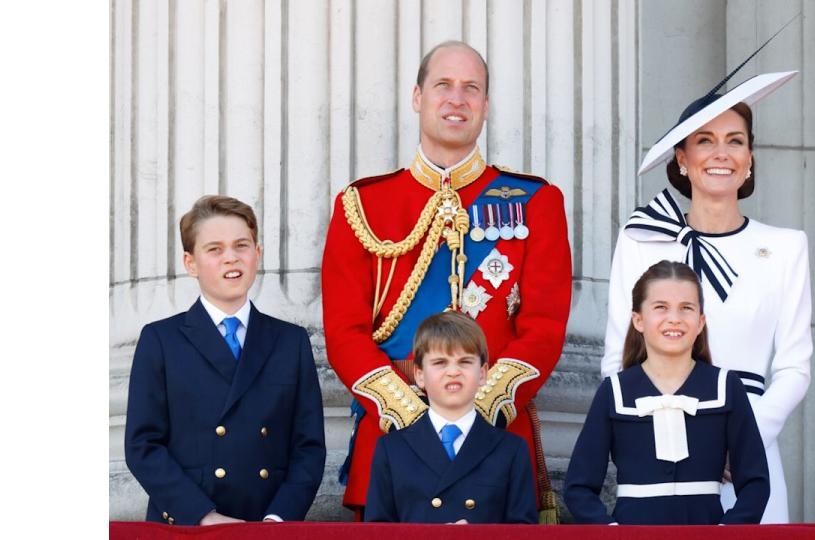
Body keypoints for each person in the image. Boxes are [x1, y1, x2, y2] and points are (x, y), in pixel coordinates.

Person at [322, 40, 571, 521]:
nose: (457, 99)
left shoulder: (536, 200)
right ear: (418, 97)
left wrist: (477, 405)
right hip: (392, 435)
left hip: (496, 441)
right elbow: (343, 331)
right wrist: (413, 415)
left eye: (471, 88)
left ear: (485, 105)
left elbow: (543, 326)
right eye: (443, 86)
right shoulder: (361, 205)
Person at [600, 68, 811, 523]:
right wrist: (644, 441)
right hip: (659, 448)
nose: (722, 153)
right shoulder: (642, 240)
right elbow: (617, 359)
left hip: (751, 452)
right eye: (705, 140)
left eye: (735, 140)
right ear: (681, 157)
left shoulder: (786, 246)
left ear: (750, 157)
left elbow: (795, 366)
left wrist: (745, 440)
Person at [124, 195, 326, 525]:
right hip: (187, 525)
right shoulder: (161, 340)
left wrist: (278, 520)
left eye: (241, 246)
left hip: (265, 525)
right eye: (214, 249)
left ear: (257, 254)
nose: (231, 258)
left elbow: (309, 447)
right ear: (191, 263)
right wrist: (204, 517)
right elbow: (143, 446)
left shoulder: (291, 342)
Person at [567, 260, 768, 524]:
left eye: (687, 308)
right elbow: (579, 487)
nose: (674, 318)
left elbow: (756, 483)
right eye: (661, 307)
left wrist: (727, 531)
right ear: (638, 319)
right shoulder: (614, 391)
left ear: (700, 321)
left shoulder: (726, 387)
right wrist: (611, 530)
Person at [364, 311, 537, 523]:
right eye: (440, 363)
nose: (453, 371)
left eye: (465, 362)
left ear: (483, 373)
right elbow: (376, 532)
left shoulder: (511, 450)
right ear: (419, 375)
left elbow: (524, 533)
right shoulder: (391, 449)